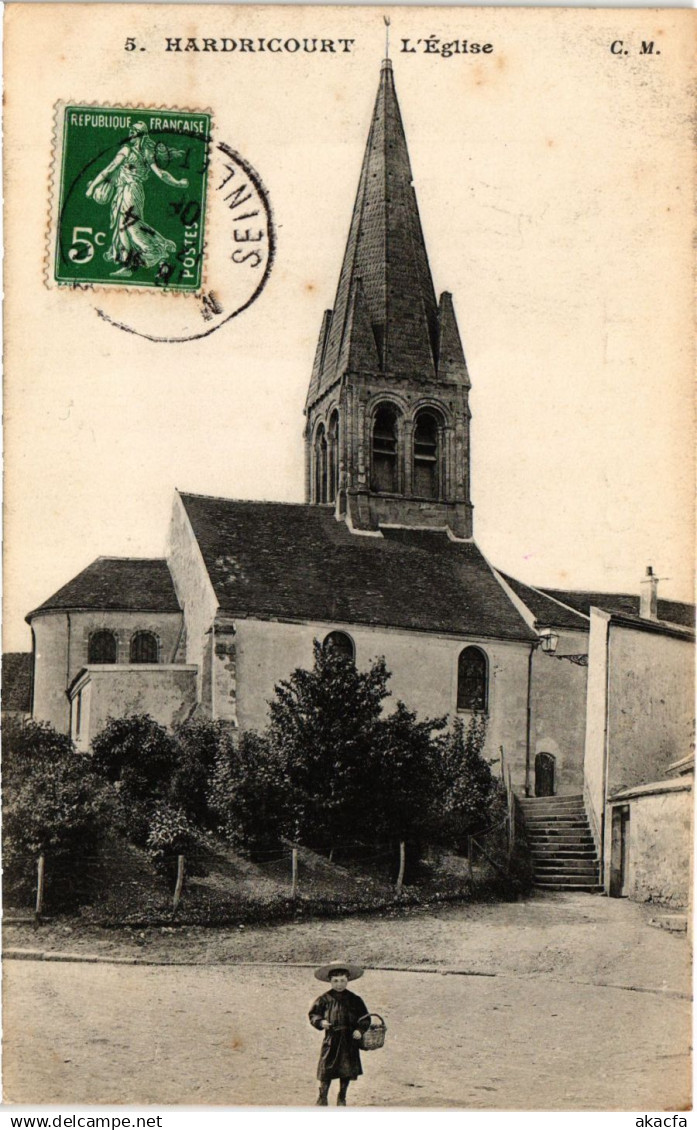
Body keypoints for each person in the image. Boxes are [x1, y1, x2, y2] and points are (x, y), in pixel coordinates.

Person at [85, 121, 188, 277]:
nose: (130, 134)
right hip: (131, 191)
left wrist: (93, 186)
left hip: (129, 191)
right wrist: (178, 183)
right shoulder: (146, 152)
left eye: (133, 131)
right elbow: (161, 174)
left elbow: (110, 168)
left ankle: (154, 251)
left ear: (140, 134)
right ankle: (130, 262)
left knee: (128, 226)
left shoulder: (127, 150)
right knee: (126, 226)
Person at [308, 961, 371, 1106]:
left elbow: (365, 1018)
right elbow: (313, 1014)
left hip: (349, 1039)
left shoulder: (355, 999)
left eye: (343, 980)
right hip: (332, 1038)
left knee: (347, 1069)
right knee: (326, 1068)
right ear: (330, 981)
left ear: (347, 980)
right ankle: (322, 1097)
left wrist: (359, 1030)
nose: (339, 984)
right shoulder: (324, 999)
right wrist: (320, 1022)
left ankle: (342, 1096)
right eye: (335, 981)